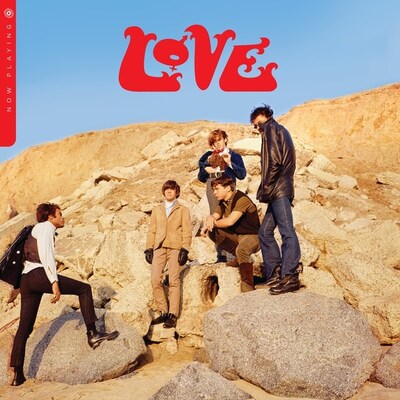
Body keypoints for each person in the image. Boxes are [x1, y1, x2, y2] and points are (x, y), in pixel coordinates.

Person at [9, 203, 119, 386]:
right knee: (84, 289)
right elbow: (47, 256)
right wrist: (54, 282)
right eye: (60, 214)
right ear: (50, 217)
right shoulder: (46, 227)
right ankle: (92, 333)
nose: (63, 217)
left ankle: (17, 374)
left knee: (24, 328)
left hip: (26, 279)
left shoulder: (35, 229)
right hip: (39, 275)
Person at [250, 104, 302, 295]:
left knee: (287, 231)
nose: (257, 128)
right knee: (265, 232)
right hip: (279, 189)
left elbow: (275, 162)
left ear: (264, 116)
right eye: (255, 125)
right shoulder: (279, 129)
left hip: (278, 189)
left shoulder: (271, 129)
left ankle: (290, 276)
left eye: (257, 123)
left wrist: (266, 187)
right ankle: (276, 272)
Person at [144, 180, 192, 329]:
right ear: (163, 192)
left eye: (172, 189)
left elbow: (187, 230)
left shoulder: (183, 210)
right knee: (155, 279)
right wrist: (148, 248)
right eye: (166, 189)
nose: (169, 191)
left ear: (177, 192)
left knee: (173, 280)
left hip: (175, 247)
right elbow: (152, 230)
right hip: (159, 247)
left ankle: (172, 314)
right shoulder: (157, 210)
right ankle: (163, 311)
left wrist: (185, 249)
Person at [200, 176, 260, 292]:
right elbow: (214, 216)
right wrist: (208, 222)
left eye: (217, 189)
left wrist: (212, 222)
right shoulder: (223, 202)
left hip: (253, 236)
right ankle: (238, 257)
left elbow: (229, 221)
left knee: (242, 250)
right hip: (237, 235)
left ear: (228, 188)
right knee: (213, 232)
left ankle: (247, 287)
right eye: (213, 190)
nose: (214, 193)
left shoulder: (241, 199)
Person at [198, 129, 247, 262]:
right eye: (214, 142)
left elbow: (242, 175)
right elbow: (201, 178)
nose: (217, 143)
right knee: (214, 216)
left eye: (219, 140)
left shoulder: (234, 155)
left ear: (225, 139)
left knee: (229, 216)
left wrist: (230, 163)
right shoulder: (207, 156)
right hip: (212, 186)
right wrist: (206, 169)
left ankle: (233, 253)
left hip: (227, 186)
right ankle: (221, 254)